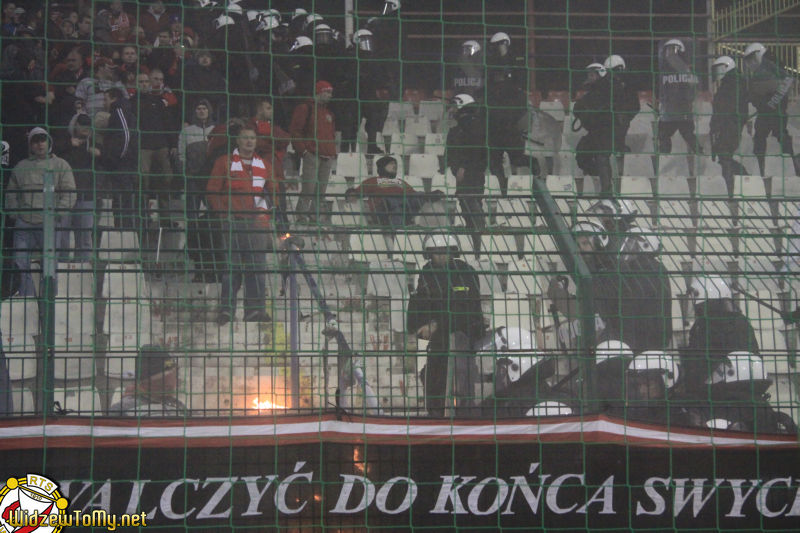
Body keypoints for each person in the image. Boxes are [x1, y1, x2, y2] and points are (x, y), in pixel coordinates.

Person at [206, 124, 277, 325]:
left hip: (257, 224)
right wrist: (223, 214)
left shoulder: (265, 165)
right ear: (237, 140)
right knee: (231, 269)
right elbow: (212, 190)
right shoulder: (224, 162)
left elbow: (273, 193)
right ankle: (227, 310)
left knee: (257, 268)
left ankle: (255, 311)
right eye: (245, 138)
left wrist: (265, 214)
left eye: (252, 138)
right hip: (232, 222)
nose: (249, 141)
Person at [407, 233, 485, 417]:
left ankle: (464, 417)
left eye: (445, 252)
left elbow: (466, 311)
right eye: (436, 253)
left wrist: (437, 324)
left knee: (461, 385)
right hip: (440, 342)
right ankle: (436, 416)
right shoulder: (427, 273)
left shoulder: (466, 273)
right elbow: (420, 307)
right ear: (430, 254)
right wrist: (421, 325)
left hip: (464, 338)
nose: (441, 256)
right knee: (432, 380)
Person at [6, 127, 76, 296]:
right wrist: (15, 214)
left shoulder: (61, 164)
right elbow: (11, 193)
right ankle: (27, 300)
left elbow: (69, 191)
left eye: (42, 139)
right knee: (20, 264)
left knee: (50, 266)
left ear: (49, 141)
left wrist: (58, 213)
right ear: (30, 145)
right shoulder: (21, 166)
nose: (39, 144)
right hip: (24, 222)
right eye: (35, 140)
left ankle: (49, 304)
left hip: (49, 223)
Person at [681, 276, 760, 396]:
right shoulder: (741, 321)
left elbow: (701, 363)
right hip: (747, 384)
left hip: (716, 389)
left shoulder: (706, 326)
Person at [486, 31, 537, 196]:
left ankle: (537, 170)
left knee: (517, 158)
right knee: (494, 161)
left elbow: (519, 86)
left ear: (506, 44)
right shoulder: (491, 65)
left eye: (499, 44)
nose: (497, 48)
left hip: (512, 125)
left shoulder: (517, 63)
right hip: (496, 124)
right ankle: (503, 190)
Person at [743, 42, 800, 177]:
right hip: (770, 111)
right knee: (773, 136)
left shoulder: (769, 65)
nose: (750, 64)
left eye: (752, 59)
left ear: (758, 54)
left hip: (771, 112)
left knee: (769, 137)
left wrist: (772, 103)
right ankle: (793, 166)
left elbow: (786, 81)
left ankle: (790, 166)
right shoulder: (768, 66)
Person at [345, 155, 444, 231]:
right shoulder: (374, 181)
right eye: (391, 163)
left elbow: (413, 195)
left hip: (402, 208)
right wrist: (351, 194)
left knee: (414, 197)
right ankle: (398, 232)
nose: (395, 165)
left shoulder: (400, 182)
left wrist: (423, 196)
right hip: (382, 211)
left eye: (395, 164)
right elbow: (355, 193)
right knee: (392, 201)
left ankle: (429, 196)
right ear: (383, 166)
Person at [446, 93, 488, 257]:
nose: (451, 109)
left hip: (471, 174)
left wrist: (463, 166)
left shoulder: (472, 125)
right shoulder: (463, 126)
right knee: (466, 206)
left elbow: (475, 150)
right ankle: (476, 244)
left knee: (471, 205)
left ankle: (479, 241)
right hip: (467, 175)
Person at [289, 80, 336, 224]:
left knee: (320, 191)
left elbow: (331, 134)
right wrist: (303, 151)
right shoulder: (305, 108)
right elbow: (295, 130)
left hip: (327, 156)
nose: (329, 95)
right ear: (318, 92)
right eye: (326, 91)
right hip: (312, 154)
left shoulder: (328, 113)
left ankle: (314, 216)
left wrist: (333, 152)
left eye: (330, 92)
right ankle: (301, 215)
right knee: (308, 188)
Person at [56, 113, 100, 261]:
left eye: (88, 124)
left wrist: (99, 153)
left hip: (86, 196)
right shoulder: (64, 141)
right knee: (62, 237)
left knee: (85, 238)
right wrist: (69, 144)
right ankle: (61, 271)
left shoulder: (95, 143)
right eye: (82, 124)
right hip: (65, 196)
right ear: (75, 125)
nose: (85, 128)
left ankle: (83, 273)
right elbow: (51, 150)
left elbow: (108, 161)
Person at [654, 39, 700, 177]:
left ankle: (702, 160)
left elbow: (692, 91)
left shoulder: (685, 70)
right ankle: (664, 163)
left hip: (681, 113)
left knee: (689, 137)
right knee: (664, 137)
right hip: (669, 113)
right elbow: (659, 93)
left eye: (671, 51)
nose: (669, 55)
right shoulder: (664, 74)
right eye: (667, 51)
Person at [99, 87, 138, 229]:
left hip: (122, 165)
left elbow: (126, 137)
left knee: (123, 199)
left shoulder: (119, 112)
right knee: (120, 198)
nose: (104, 103)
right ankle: (121, 228)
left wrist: (113, 158)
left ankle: (124, 229)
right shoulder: (122, 112)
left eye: (106, 99)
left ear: (114, 99)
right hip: (122, 164)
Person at [108, 345, 185, 416]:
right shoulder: (123, 409)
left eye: (175, 374)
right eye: (168, 377)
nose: (176, 382)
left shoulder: (176, 405)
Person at [710, 55, 748, 197]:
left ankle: (735, 186)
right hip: (730, 125)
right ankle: (742, 180)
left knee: (725, 157)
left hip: (729, 126)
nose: (717, 72)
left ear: (727, 67)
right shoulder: (733, 82)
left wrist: (716, 126)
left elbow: (724, 108)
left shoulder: (732, 83)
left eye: (719, 68)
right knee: (725, 157)